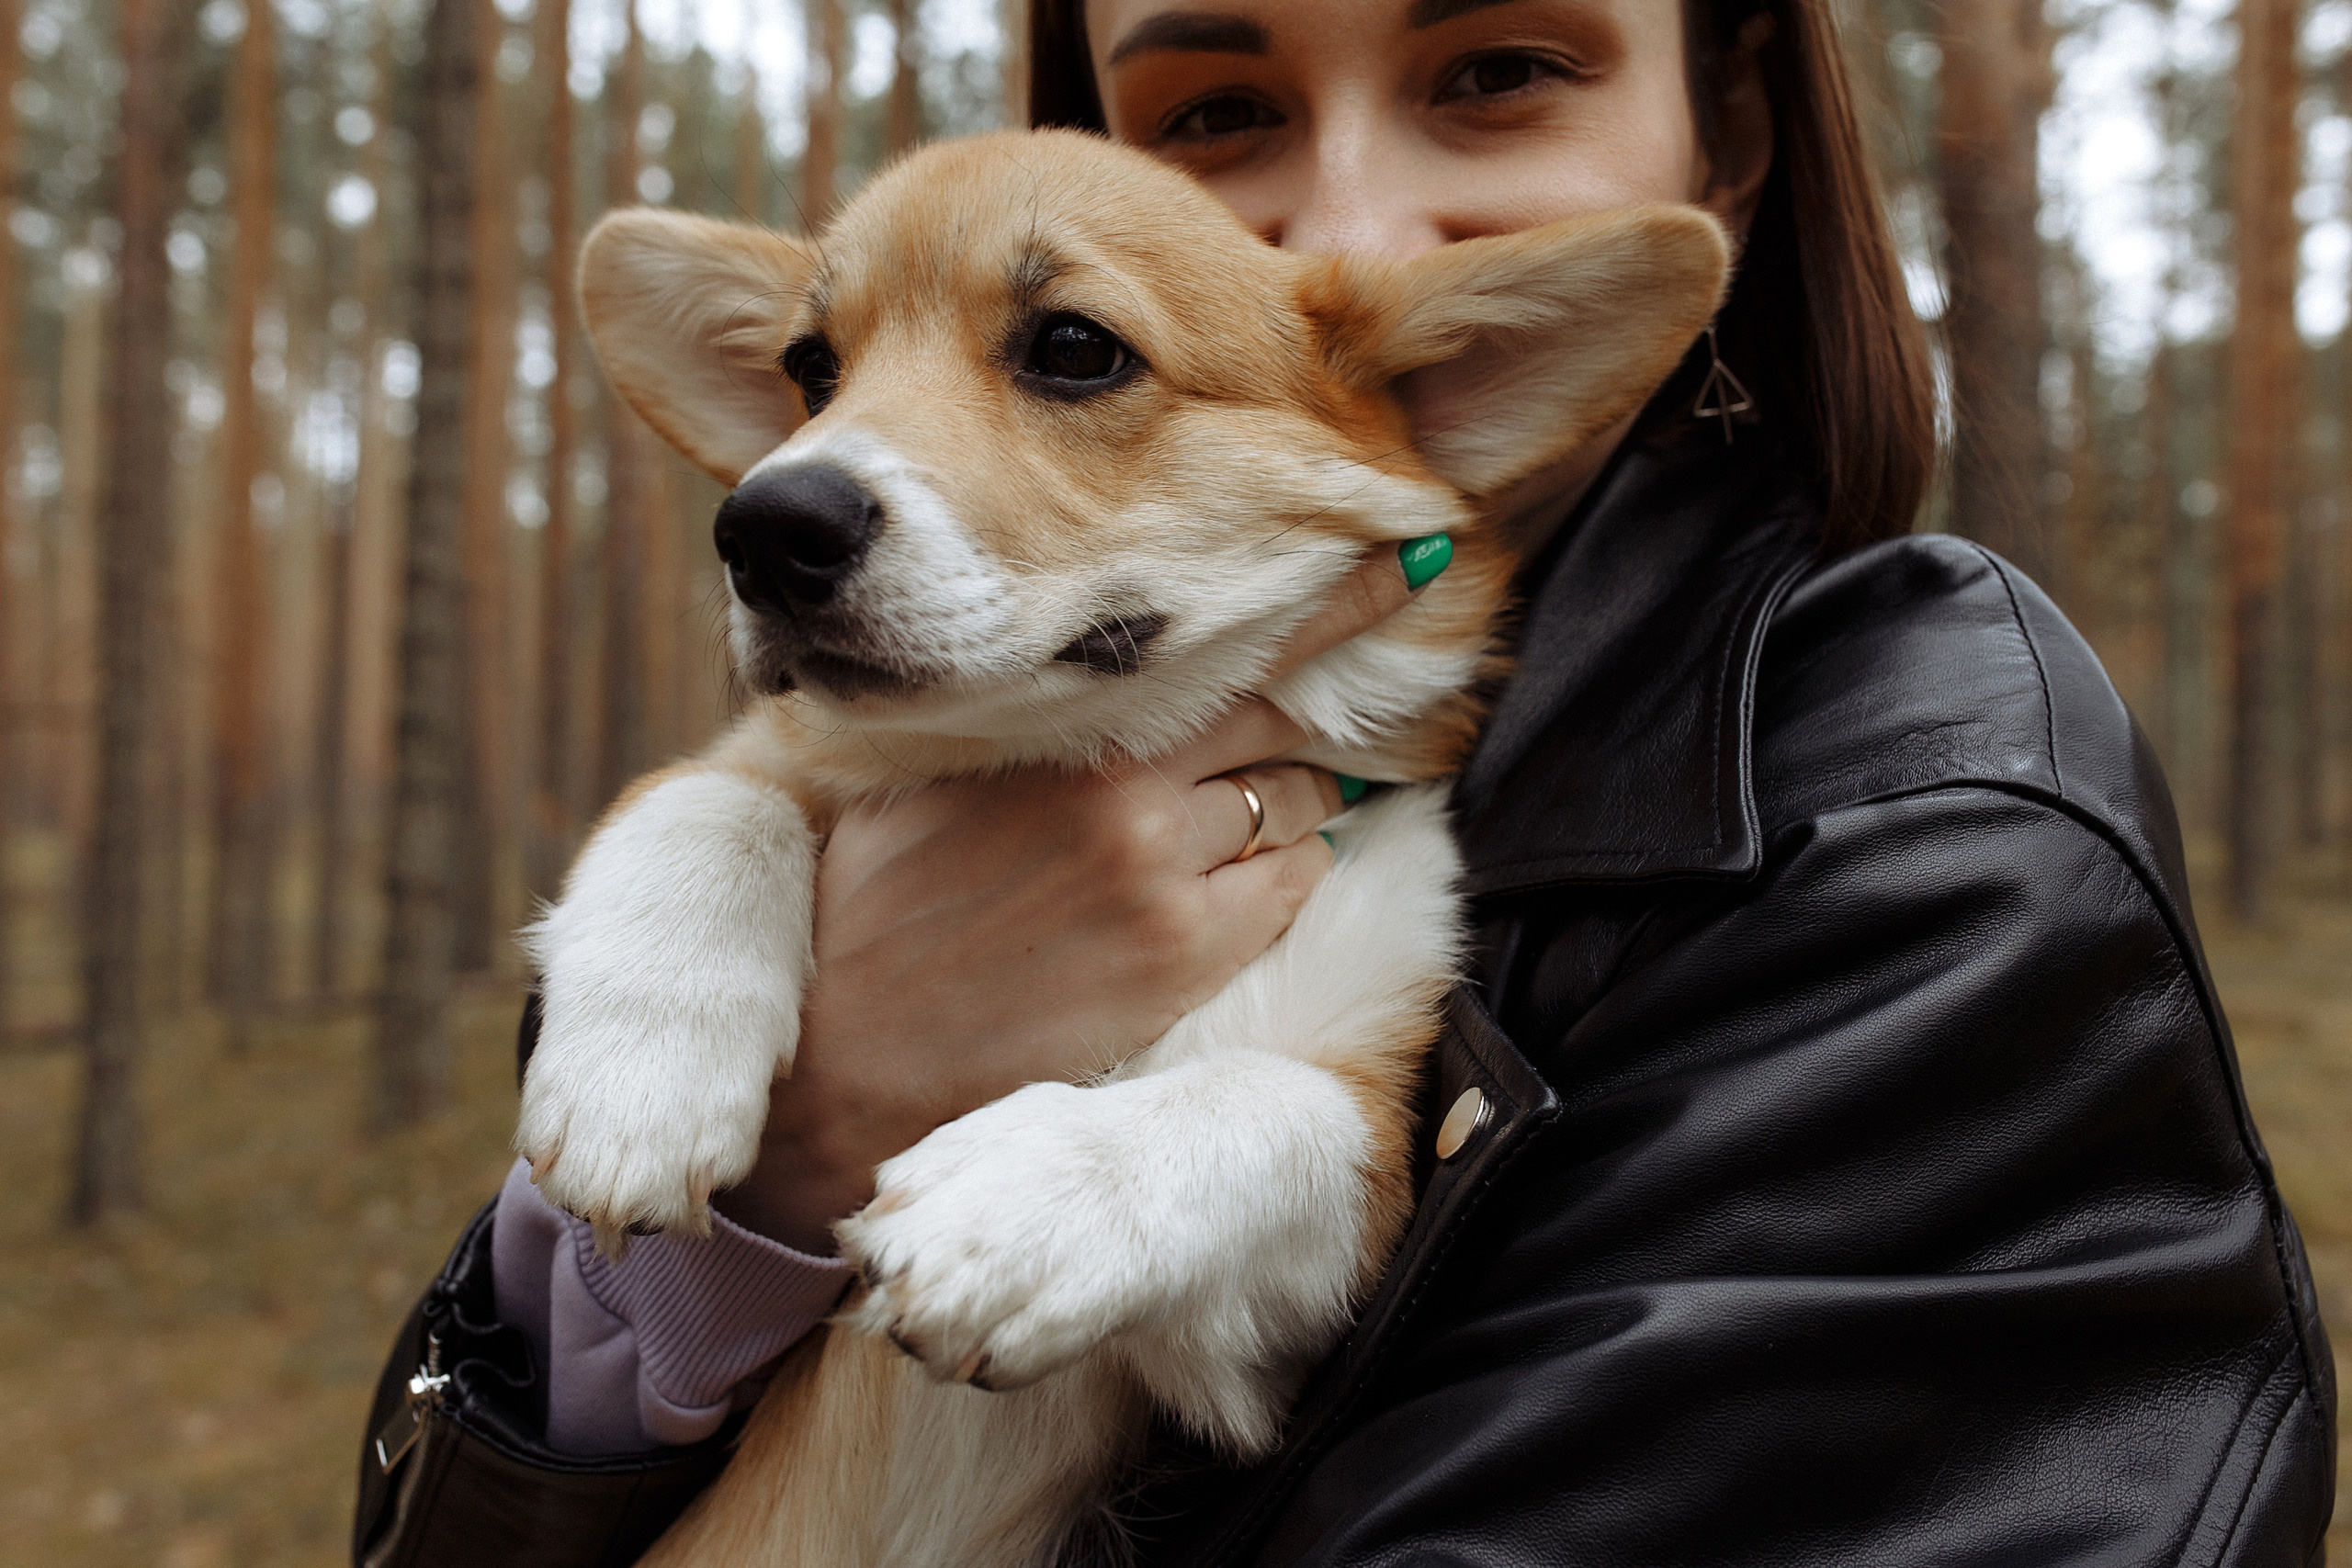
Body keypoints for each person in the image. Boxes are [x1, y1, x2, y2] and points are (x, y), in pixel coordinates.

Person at [354, 1, 2338, 1563]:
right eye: (1213, 114)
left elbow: (1307, 1203)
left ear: (1729, 138)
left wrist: (1133, 1156)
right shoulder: (825, 801)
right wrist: (768, 1161)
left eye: (1497, 71)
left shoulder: (1926, 818)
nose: (1348, 229)